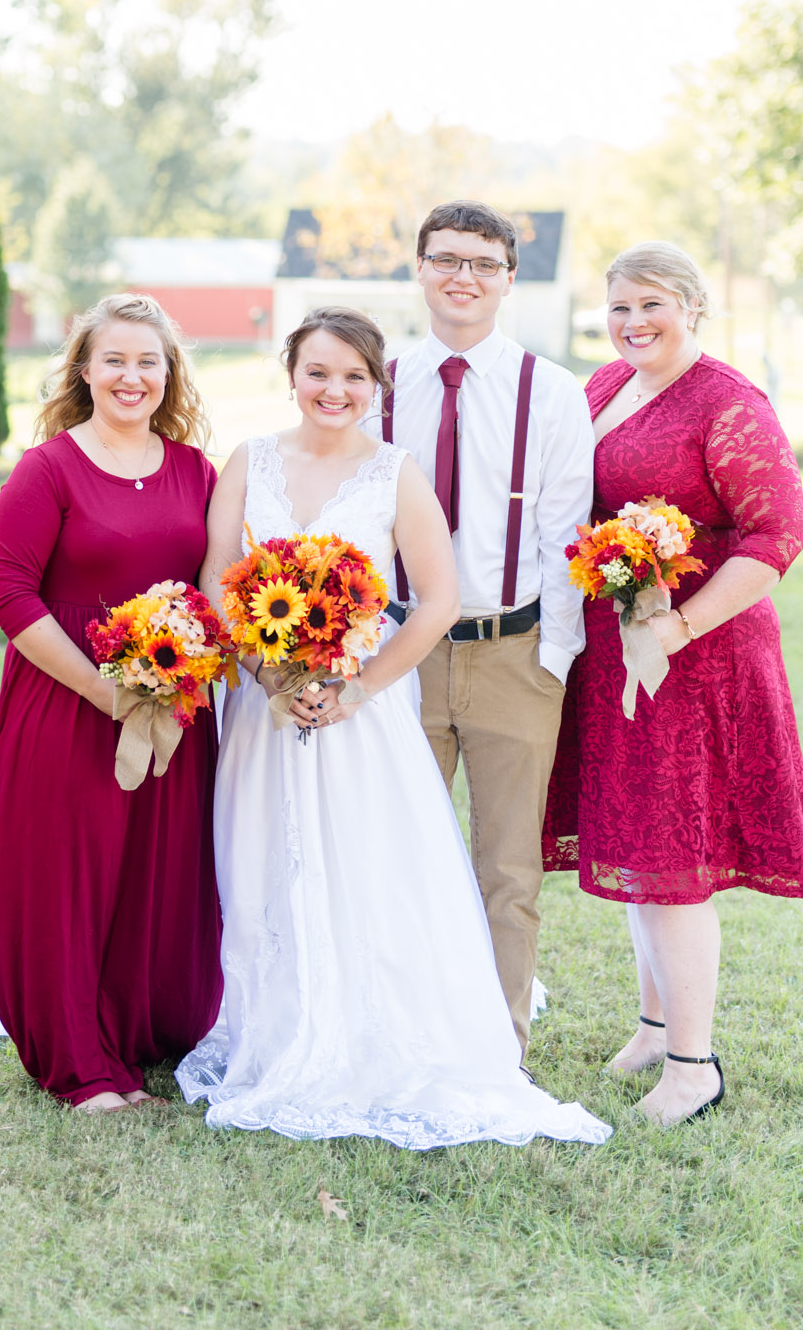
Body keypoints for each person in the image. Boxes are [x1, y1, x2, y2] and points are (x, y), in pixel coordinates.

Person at [176, 308, 611, 1150]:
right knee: (262, 857)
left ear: (377, 385)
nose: (333, 390)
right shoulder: (248, 461)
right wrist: (271, 674)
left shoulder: (395, 473)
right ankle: (269, 1022)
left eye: (352, 376)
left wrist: (355, 688)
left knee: (367, 862)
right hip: (262, 713)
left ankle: (370, 1022)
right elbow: (219, 579)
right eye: (317, 372)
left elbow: (436, 602)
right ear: (289, 372)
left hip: (362, 716)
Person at [542, 242, 803, 1126]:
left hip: (694, 662)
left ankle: (694, 1066)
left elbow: (774, 537)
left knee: (674, 863)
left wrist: (675, 624)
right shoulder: (598, 388)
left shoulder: (728, 402)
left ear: (693, 308)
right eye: (618, 307)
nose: (632, 323)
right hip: (614, 655)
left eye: (652, 305)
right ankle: (654, 1025)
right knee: (638, 848)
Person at [0, 294, 223, 1113]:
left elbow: (219, 588)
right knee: (70, 879)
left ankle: (145, 1032)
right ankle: (80, 1064)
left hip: (176, 709)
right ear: (84, 370)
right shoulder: (47, 469)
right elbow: (7, 593)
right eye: (114, 359)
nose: (131, 376)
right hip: (66, 702)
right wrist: (104, 690)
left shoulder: (196, 471)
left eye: (147, 361)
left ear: (169, 374)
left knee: (159, 877)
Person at [374, 200, 594, 1055]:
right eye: (445, 258)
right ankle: (402, 1030)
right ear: (420, 268)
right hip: (403, 656)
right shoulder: (380, 381)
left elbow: (567, 530)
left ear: (508, 278)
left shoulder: (551, 391)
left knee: (508, 869)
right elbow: (356, 526)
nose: (462, 276)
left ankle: (497, 1044)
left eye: (482, 263)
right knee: (398, 855)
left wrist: (554, 658)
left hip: (513, 652)